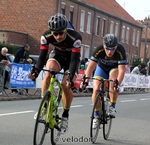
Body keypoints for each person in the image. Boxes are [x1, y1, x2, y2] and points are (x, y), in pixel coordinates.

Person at [29, 13, 82, 133]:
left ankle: (65, 115)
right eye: (55, 33)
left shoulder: (75, 37)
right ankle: (44, 106)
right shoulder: (46, 36)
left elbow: (74, 61)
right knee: (48, 73)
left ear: (66, 30)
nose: (58, 36)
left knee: (65, 85)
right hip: (57, 55)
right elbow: (42, 57)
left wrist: (70, 79)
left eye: (61, 33)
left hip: (71, 59)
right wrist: (36, 71)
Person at [82, 34, 126, 127]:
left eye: (112, 49)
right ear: (103, 46)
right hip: (101, 68)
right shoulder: (99, 49)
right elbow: (90, 67)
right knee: (96, 89)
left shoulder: (121, 50)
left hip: (114, 69)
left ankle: (112, 106)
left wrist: (117, 83)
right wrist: (86, 80)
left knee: (113, 82)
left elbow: (122, 70)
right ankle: (96, 115)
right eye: (107, 49)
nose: (109, 52)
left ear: (116, 47)